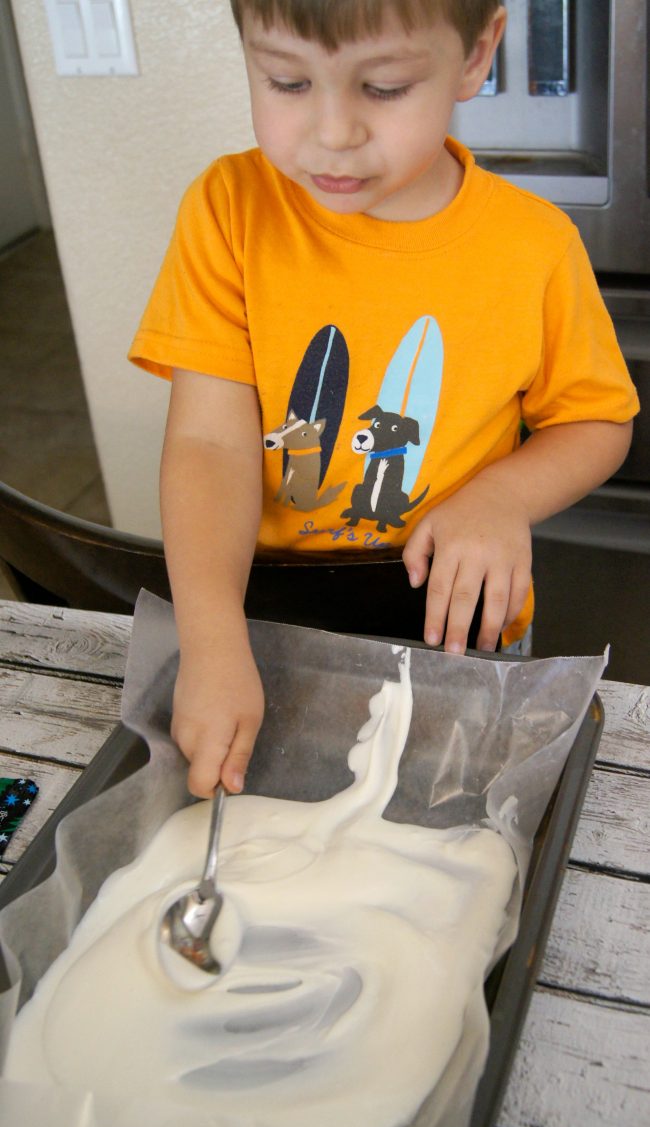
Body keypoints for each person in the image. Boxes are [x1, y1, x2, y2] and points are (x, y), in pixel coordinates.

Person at [129, 0, 639, 799]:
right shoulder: (229, 210)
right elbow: (210, 444)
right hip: (264, 618)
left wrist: (502, 496)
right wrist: (211, 638)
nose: (333, 131)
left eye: (387, 87)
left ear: (477, 54)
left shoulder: (534, 246)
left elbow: (599, 419)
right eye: (286, 81)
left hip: (456, 627)